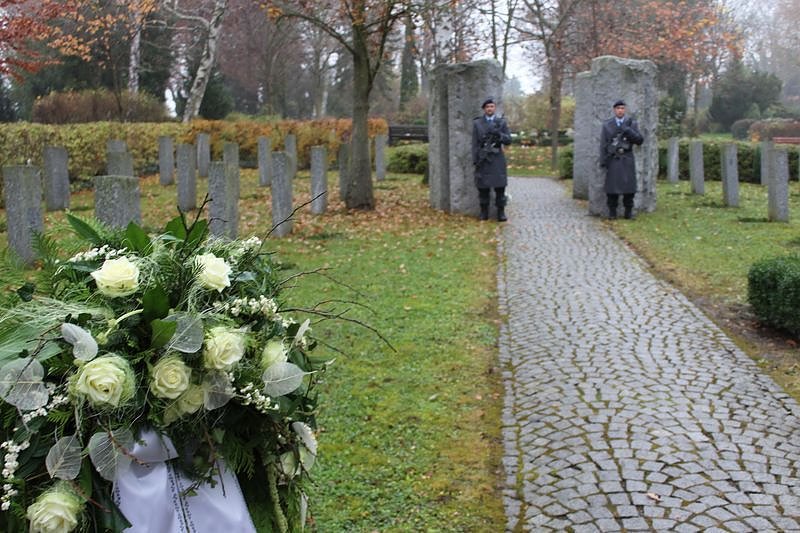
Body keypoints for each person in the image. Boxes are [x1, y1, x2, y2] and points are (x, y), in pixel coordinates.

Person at [600, 100, 644, 219]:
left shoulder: (631, 124)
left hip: (627, 157)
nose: (620, 110)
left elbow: (639, 140)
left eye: (622, 108)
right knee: (612, 188)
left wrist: (627, 130)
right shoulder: (607, 125)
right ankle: (612, 212)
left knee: (629, 187)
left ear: (625, 110)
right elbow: (604, 144)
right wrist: (603, 161)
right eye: (618, 108)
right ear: (614, 110)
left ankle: (628, 212)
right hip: (613, 158)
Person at [472, 98, 512, 221]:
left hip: (497, 158)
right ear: (484, 109)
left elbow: (508, 140)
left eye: (492, 106)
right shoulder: (477, 123)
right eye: (487, 107)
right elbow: (474, 143)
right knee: (483, 188)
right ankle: (484, 212)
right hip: (483, 158)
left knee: (500, 187)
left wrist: (499, 135)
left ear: (495, 108)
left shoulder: (501, 123)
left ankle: (501, 212)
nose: (490, 109)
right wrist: (476, 159)